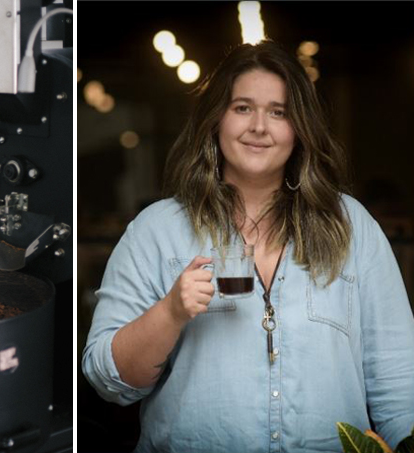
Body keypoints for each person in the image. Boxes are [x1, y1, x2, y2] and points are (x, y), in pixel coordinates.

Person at [81, 41, 414, 452]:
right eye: (242, 107)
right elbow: (108, 379)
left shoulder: (351, 226)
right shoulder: (157, 230)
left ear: (300, 128)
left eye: (279, 111)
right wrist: (170, 312)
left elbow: (400, 380)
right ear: (216, 118)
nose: (259, 126)